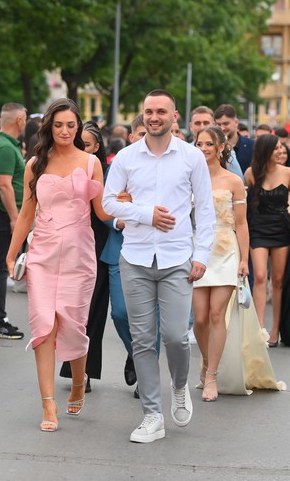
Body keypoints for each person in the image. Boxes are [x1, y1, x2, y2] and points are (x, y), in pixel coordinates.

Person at [102, 89, 215, 444]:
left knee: (176, 337)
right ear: (143, 115)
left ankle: (179, 386)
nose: (154, 117)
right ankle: (152, 414)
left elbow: (207, 211)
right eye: (149, 111)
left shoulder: (191, 157)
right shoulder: (125, 157)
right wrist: (145, 215)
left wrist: (202, 256)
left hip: (176, 258)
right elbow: (108, 203)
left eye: (161, 112)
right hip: (134, 257)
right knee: (142, 341)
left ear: (174, 117)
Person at [5, 99, 108, 432]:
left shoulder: (92, 162)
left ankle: (79, 381)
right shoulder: (35, 164)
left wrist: (128, 204)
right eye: (59, 125)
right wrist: (11, 252)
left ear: (78, 128)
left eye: (71, 125)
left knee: (75, 325)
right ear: (49, 126)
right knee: (44, 328)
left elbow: (102, 212)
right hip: (43, 255)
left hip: (80, 256)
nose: (65, 131)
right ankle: (48, 405)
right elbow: (25, 212)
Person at [191, 127, 249, 401]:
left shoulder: (234, 181)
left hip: (226, 250)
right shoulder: (190, 178)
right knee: (199, 317)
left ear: (221, 147)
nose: (203, 148)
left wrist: (244, 259)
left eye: (208, 144)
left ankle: (212, 375)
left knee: (216, 314)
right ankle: (205, 360)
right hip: (197, 250)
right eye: (199, 143)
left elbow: (241, 223)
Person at [59, 122, 110, 391]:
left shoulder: (107, 172)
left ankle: (87, 370)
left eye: (86, 144)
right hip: (69, 245)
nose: (81, 149)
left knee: (94, 310)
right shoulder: (64, 165)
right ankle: (73, 367)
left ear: (97, 148)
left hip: (99, 245)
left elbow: (106, 212)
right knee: (71, 311)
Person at [101, 117, 150, 399]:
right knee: (120, 312)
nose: (145, 137)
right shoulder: (120, 164)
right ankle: (136, 353)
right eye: (141, 133)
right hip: (119, 247)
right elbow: (105, 208)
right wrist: (121, 221)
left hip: (154, 252)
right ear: (132, 136)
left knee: (150, 319)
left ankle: (146, 374)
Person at [244, 134, 290, 346]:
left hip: (282, 228)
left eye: (281, 148)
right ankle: (259, 328)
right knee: (260, 276)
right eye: (276, 148)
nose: (281, 151)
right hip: (259, 228)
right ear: (265, 151)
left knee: (278, 281)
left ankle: (275, 330)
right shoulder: (251, 173)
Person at [0, 103, 27, 340]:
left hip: (1, 212)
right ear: (19, 119)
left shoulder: (4, 144)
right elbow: (4, 185)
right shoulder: (6, 148)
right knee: (0, 266)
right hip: (2, 214)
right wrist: (14, 217)